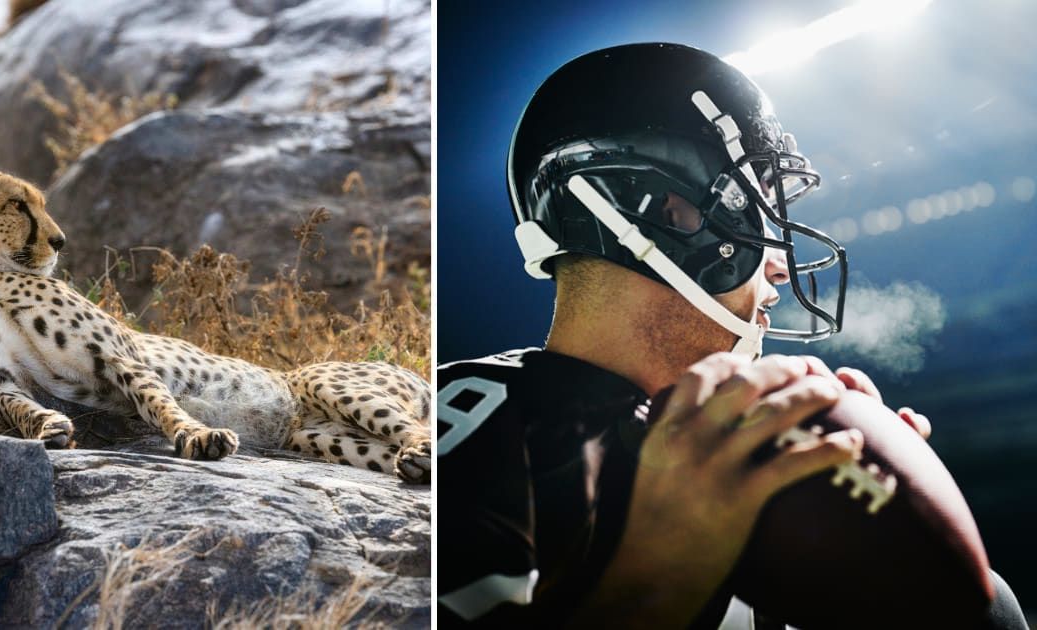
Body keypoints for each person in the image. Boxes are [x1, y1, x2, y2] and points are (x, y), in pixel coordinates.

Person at [436, 43, 1026, 628]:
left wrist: (901, 550)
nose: (778, 264)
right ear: (662, 214)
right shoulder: (468, 423)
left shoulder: (755, 447)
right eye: (754, 209)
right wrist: (655, 582)